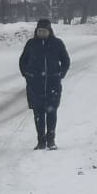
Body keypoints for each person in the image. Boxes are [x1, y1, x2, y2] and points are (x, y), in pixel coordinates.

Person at [18, 18, 70, 150]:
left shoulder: (57, 44)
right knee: (38, 114)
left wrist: (60, 74)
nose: (42, 33)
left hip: (53, 84)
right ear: (36, 31)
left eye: (44, 31)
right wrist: (27, 74)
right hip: (35, 86)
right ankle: (41, 141)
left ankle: (51, 140)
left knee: (51, 112)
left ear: (49, 31)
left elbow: (65, 61)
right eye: (39, 31)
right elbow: (22, 61)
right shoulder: (31, 44)